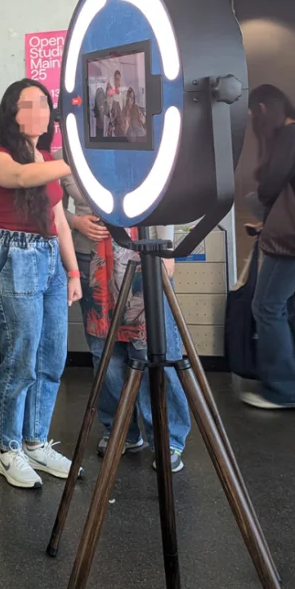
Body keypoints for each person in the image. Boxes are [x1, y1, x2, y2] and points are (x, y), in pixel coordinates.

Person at [0, 79, 80, 489]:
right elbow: (22, 178)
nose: (40, 111)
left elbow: (59, 221)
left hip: (50, 261)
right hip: (15, 260)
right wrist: (79, 160)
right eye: (28, 104)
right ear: (11, 113)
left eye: (45, 103)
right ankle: (8, 450)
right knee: (20, 362)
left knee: (52, 359)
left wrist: (73, 272)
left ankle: (36, 442)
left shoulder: (48, 157)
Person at [62, 173, 191, 471]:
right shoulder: (64, 155)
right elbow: (52, 204)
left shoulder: (141, 147)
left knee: (154, 347)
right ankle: (120, 430)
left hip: (145, 253)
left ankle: (168, 437)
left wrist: (167, 248)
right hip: (91, 255)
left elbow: (166, 192)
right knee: (104, 352)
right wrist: (76, 221)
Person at [243, 83, 295, 410]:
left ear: (263, 109)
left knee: (267, 306)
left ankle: (287, 389)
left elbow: (270, 187)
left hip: (293, 243)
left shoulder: (291, 134)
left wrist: (261, 209)